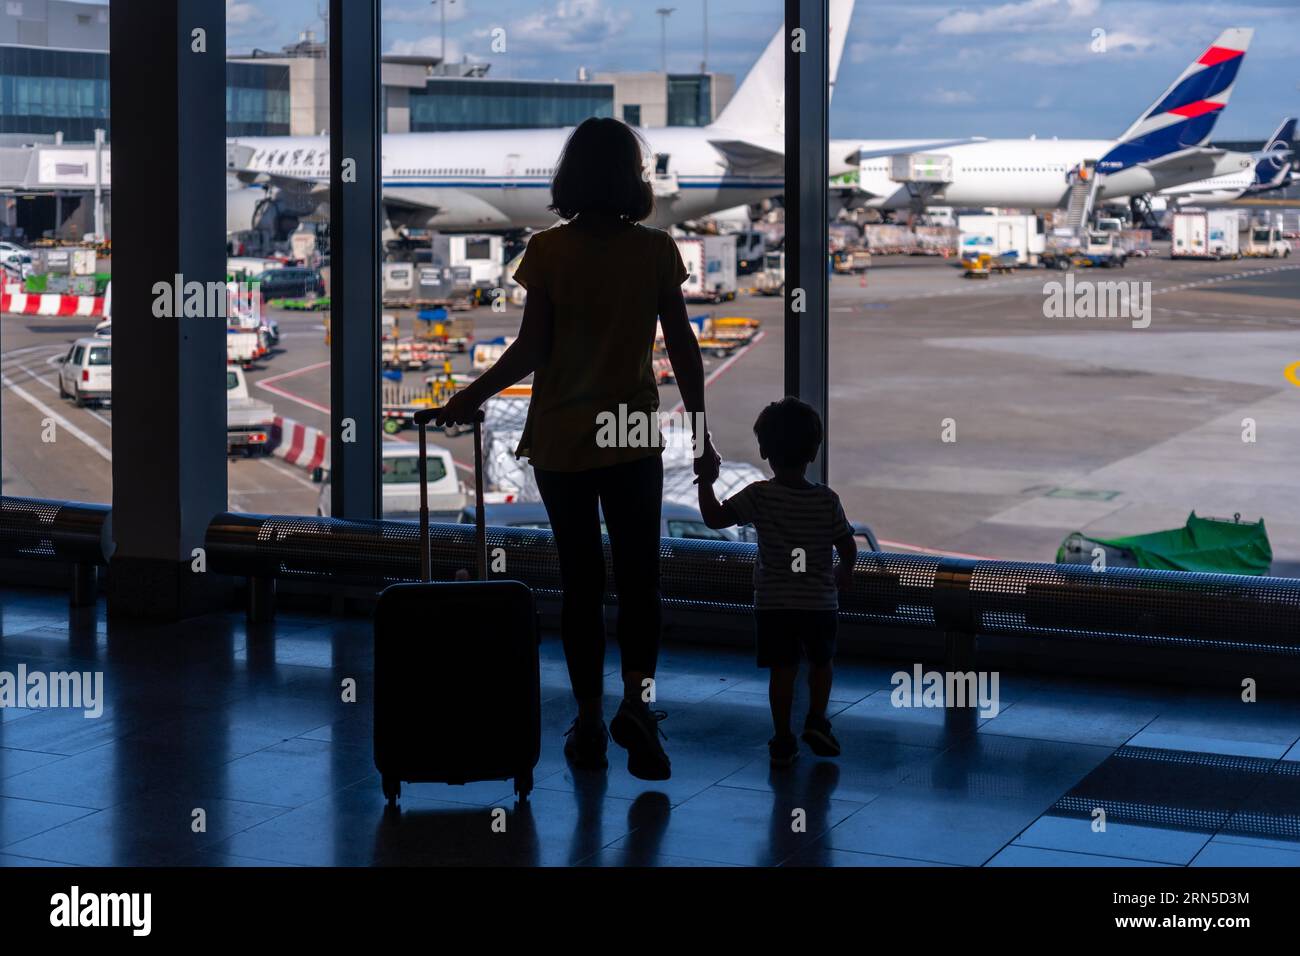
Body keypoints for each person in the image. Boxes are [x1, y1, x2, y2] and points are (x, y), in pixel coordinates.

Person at [437, 117, 719, 781]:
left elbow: (531, 349)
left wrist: (468, 398)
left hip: (564, 434)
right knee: (641, 584)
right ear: (634, 178)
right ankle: (639, 708)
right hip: (628, 433)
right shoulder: (655, 250)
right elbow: (683, 349)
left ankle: (589, 719)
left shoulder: (548, 252)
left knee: (581, 585)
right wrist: (702, 434)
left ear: (569, 177)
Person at [697, 397, 856, 767]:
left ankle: (783, 736)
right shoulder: (827, 500)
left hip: (774, 602)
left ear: (765, 449)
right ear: (814, 451)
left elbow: (715, 518)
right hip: (819, 601)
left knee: (783, 670)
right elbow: (847, 546)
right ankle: (817, 720)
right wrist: (843, 572)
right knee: (822, 661)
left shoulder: (760, 495)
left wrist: (706, 481)